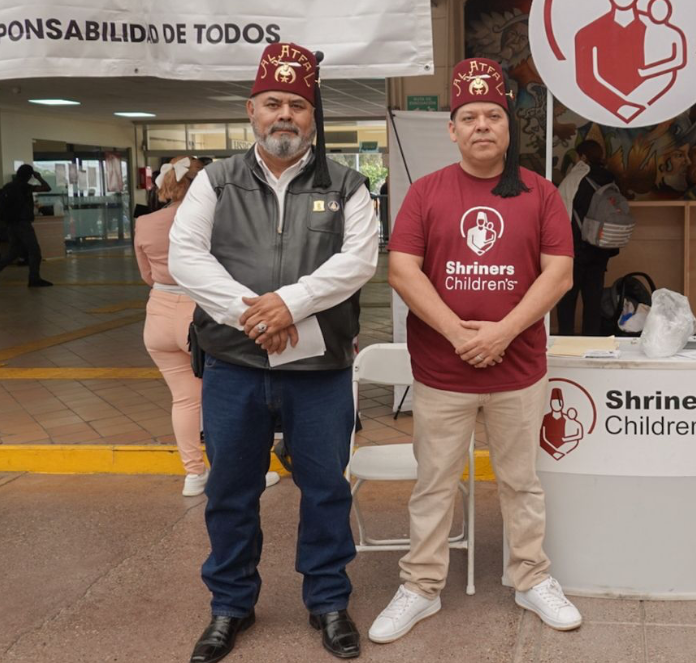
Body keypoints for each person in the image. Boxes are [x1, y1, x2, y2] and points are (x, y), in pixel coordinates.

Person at [169, 42, 379, 662]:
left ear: (313, 115)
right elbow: (186, 257)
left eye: (297, 104)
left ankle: (329, 601)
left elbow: (359, 261)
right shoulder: (216, 181)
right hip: (234, 366)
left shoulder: (348, 186)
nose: (284, 114)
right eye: (272, 103)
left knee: (326, 489)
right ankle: (230, 604)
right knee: (230, 490)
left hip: (320, 371)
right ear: (251, 111)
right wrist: (255, 315)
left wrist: (291, 302)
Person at [376, 57, 580, 643]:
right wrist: (459, 334)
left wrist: (501, 333)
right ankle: (420, 586)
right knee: (434, 483)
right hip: (443, 371)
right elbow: (402, 270)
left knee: (522, 482)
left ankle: (530, 578)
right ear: (452, 129)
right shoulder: (426, 192)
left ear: (509, 126)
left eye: (493, 115)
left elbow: (559, 274)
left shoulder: (540, 193)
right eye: (469, 117)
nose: (482, 125)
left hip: (518, 371)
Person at [134, 157, 286, 498]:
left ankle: (193, 474)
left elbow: (147, 275)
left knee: (184, 400)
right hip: (201, 313)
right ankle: (247, 472)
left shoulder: (144, 222)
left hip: (157, 315)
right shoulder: (214, 219)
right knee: (233, 396)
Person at [556, 140, 620, 336]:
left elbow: (560, 211)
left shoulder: (576, 178)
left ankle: (566, 337)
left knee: (567, 296)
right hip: (601, 247)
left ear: (582, 156)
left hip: (576, 246)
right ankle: (592, 339)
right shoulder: (610, 180)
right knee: (593, 297)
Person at [0, 164, 52, 289]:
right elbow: (47, 188)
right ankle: (34, 278)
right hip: (23, 224)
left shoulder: (8, 186)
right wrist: (38, 177)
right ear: (29, 175)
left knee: (14, 252)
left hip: (11, 224)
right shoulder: (25, 187)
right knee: (34, 251)